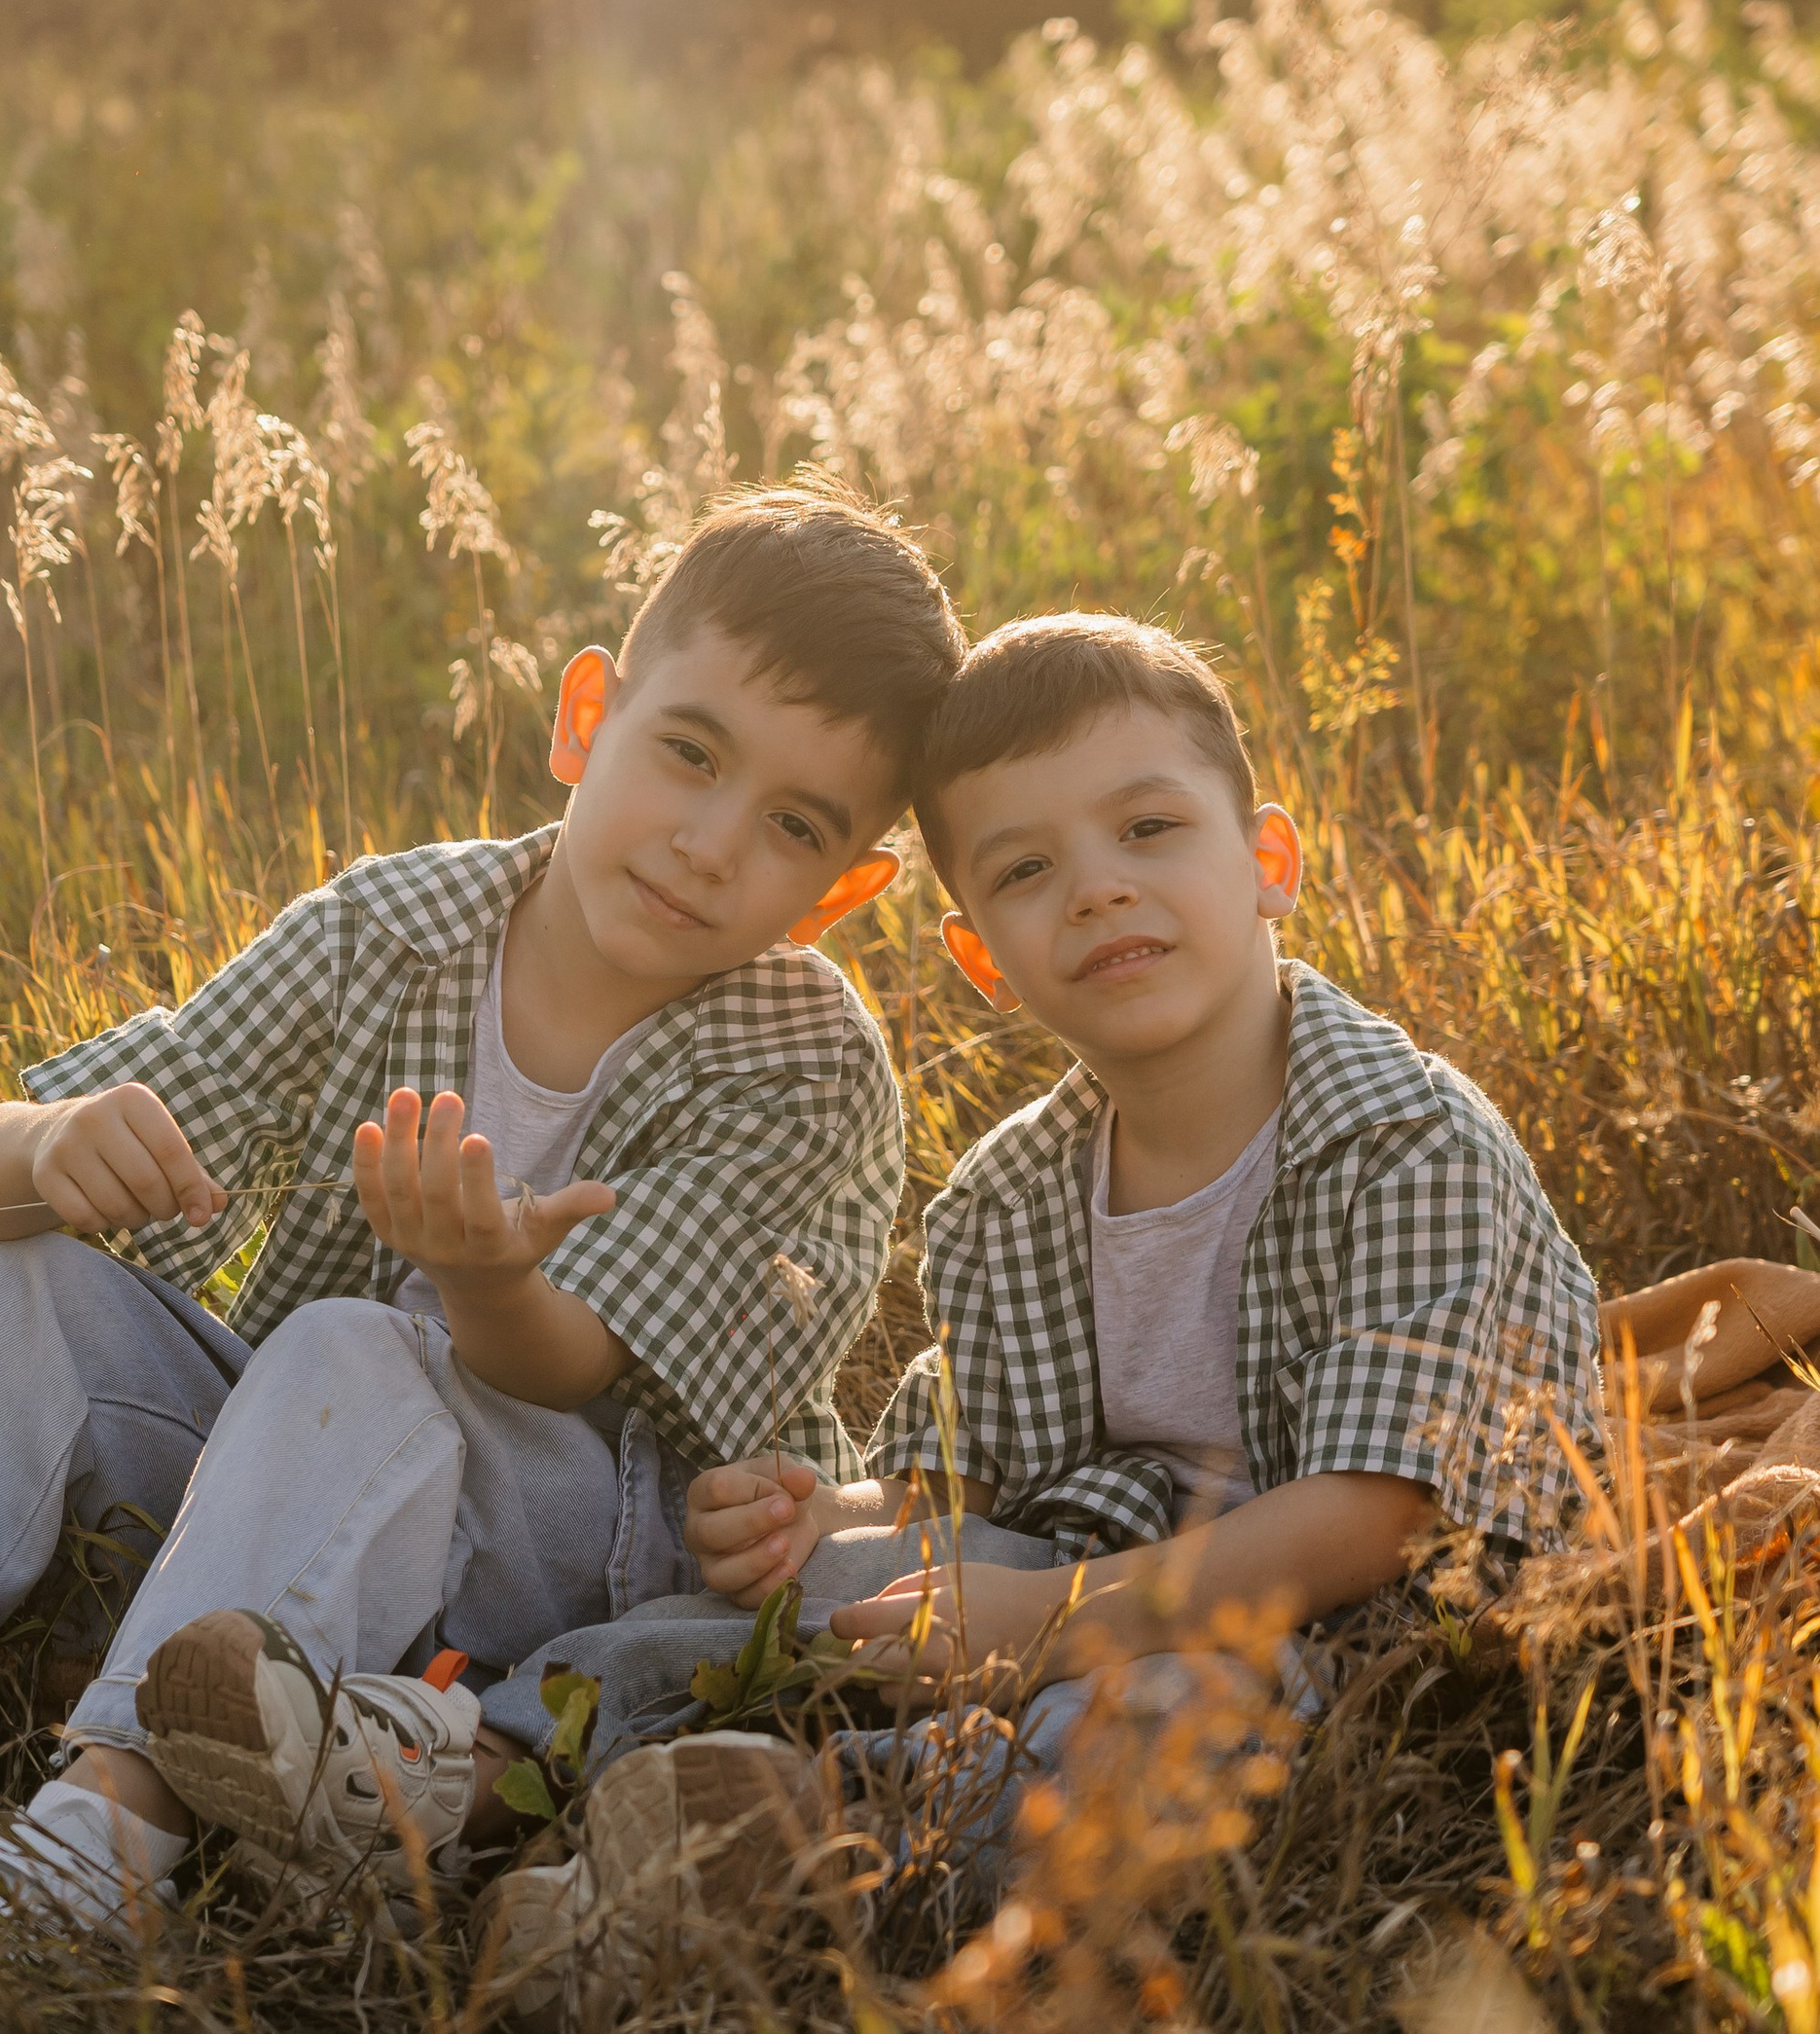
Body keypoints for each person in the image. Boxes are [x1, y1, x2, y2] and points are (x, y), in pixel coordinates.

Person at [0, 489, 964, 1995]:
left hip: (586, 1542)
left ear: (840, 892)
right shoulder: (392, 925)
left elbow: (566, 1358)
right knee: (8, 1278)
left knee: (360, 1342)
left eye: (792, 827)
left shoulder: (806, 1060)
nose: (712, 844)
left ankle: (105, 1837)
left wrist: (483, 1273)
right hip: (299, 1473)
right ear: (588, 715)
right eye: (690, 753)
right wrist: (54, 1149)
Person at [680, 611, 1603, 1886]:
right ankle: (512, 1753)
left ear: (1269, 858)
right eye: (1024, 871)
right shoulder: (1005, 1197)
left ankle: (836, 1848)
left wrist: (1055, 1624)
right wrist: (820, 1510)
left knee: (1159, 1713)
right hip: (1095, 1559)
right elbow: (970, 1482)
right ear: (982, 960)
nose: (1099, 886)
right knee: (811, 1583)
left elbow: (1378, 1518)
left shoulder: (1407, 1139)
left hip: (1340, 1615)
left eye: (1149, 830)